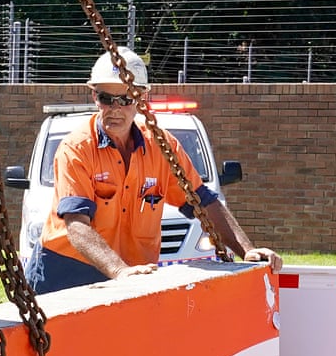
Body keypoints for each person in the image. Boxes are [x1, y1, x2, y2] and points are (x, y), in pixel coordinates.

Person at [24, 48, 281, 294]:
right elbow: (77, 226)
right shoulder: (77, 148)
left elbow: (204, 202)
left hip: (133, 273)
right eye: (106, 99)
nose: (115, 109)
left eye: (126, 99)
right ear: (94, 96)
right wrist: (120, 272)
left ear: (141, 98)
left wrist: (246, 250)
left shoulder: (162, 146)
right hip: (65, 270)